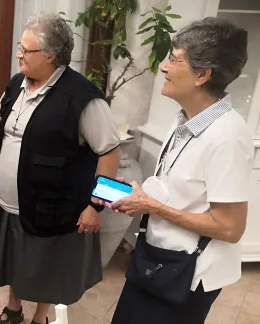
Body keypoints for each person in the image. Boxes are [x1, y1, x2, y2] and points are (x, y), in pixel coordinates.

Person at [0, 12, 121, 324]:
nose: (19, 54)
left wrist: (97, 206)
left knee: (46, 269)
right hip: (10, 203)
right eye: (20, 46)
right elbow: (1, 120)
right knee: (16, 262)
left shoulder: (84, 99)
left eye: (25, 50)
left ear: (50, 55)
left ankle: (40, 318)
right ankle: (13, 309)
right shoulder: (19, 83)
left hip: (53, 207)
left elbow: (111, 153)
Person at [101, 17, 251, 324]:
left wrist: (152, 206)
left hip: (187, 275)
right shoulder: (184, 118)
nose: (165, 68)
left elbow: (230, 228)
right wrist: (139, 197)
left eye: (174, 59)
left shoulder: (228, 137)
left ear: (202, 74)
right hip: (155, 259)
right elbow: (180, 189)